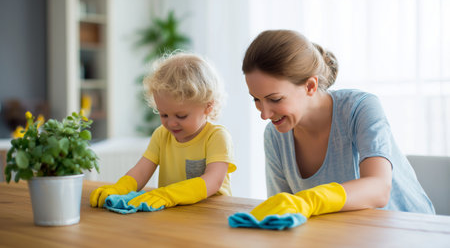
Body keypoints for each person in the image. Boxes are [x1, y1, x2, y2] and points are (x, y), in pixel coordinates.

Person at [242, 29, 435, 221]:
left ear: (310, 86)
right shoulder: (275, 135)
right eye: (256, 100)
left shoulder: (360, 108)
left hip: (412, 230)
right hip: (346, 235)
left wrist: (312, 200)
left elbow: (379, 188)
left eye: (275, 99)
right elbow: (283, 212)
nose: (264, 114)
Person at [90, 52, 236, 210]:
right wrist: (120, 188)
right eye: (164, 114)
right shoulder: (161, 135)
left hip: (212, 215)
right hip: (174, 214)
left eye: (181, 116)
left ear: (208, 106)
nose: (171, 123)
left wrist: (169, 195)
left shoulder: (216, 136)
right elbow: (141, 171)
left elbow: (213, 181)